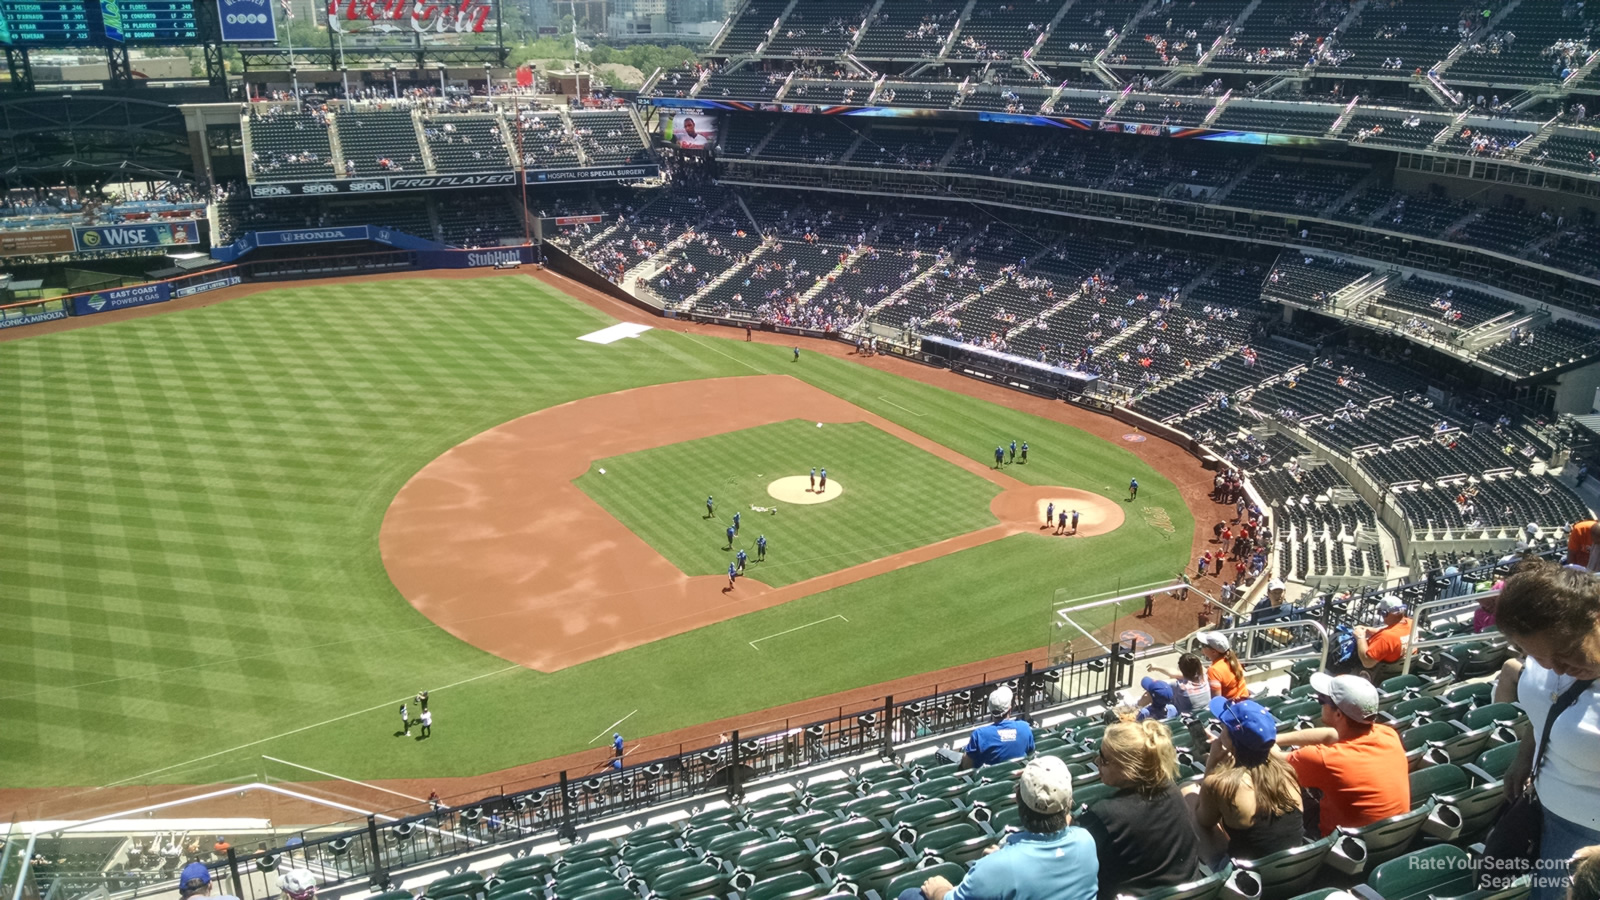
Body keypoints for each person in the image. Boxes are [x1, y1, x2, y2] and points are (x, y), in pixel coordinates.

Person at [1494, 562, 1600, 900]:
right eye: (1539, 657)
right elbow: (1545, 711)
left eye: (1566, 651)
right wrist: (1524, 757)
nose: (1556, 668)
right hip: (1550, 815)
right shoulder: (1552, 662)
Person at [903, 756, 1097, 900]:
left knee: (910, 895)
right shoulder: (1086, 841)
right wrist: (1002, 861)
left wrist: (938, 890)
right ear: (1069, 803)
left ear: (1018, 800)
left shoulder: (997, 867)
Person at [1078, 719, 1203, 899]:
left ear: (1128, 768)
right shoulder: (1172, 790)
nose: (1098, 762)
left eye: (1104, 760)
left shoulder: (1104, 814)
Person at [1278, 672, 1409, 837]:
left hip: (1339, 847)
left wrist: (1264, 739)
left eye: (1322, 700)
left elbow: (1270, 757)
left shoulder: (1325, 759)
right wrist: (1278, 738)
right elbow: (1330, 735)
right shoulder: (1388, 734)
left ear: (1338, 714)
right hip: (1388, 838)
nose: (1320, 704)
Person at [1186, 698, 1303, 865]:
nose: (1220, 731)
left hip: (1246, 879)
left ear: (1231, 741)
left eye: (1223, 728)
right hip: (1294, 867)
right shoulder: (1287, 770)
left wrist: (1211, 763)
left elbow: (1203, 820)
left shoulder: (1220, 784)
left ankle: (1211, 871)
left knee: (1189, 794)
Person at [960, 685, 1035, 770]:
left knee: (944, 753)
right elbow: (1030, 754)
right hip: (1016, 778)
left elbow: (966, 767)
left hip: (987, 780)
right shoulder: (1024, 727)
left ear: (990, 710)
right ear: (1010, 708)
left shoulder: (979, 735)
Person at [1354, 594, 1412, 679]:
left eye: (1381, 612)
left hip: (1377, 675)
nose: (1381, 615)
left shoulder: (1386, 638)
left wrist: (1360, 637)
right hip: (1398, 672)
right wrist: (1370, 630)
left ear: (1386, 613)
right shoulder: (1411, 623)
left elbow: (1367, 662)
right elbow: (1396, 634)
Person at [1147, 654, 1212, 714]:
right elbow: (1174, 673)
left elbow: (1156, 685)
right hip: (1204, 717)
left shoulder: (1181, 687)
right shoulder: (1204, 677)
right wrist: (1155, 667)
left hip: (1186, 719)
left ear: (1181, 668)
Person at [1197, 632, 1250, 701]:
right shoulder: (1233, 660)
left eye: (1203, 645)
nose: (1201, 647)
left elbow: (1216, 701)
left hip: (1232, 706)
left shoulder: (1214, 670)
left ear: (1214, 652)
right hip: (1243, 700)